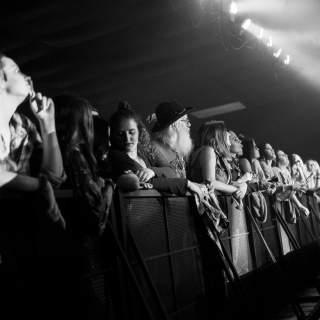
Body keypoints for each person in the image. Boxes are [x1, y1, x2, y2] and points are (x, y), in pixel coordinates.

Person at [54, 94, 114, 319]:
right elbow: (96, 214)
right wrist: (109, 186)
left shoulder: (57, 152)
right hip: (83, 249)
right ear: (82, 122)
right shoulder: (76, 155)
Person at [108, 101, 205, 196]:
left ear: (138, 131)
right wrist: (187, 184)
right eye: (120, 134)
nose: (127, 138)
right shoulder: (119, 157)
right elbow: (146, 181)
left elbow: (172, 172)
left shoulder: (143, 151)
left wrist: (153, 171)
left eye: (132, 132)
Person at [188, 121, 247, 199]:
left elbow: (226, 183)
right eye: (225, 132)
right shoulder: (208, 150)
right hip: (209, 202)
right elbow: (210, 183)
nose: (228, 134)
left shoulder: (215, 153)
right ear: (217, 134)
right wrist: (236, 190)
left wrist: (243, 186)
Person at [149, 100, 193, 178]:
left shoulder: (177, 148)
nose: (189, 124)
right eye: (186, 121)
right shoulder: (154, 148)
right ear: (174, 124)